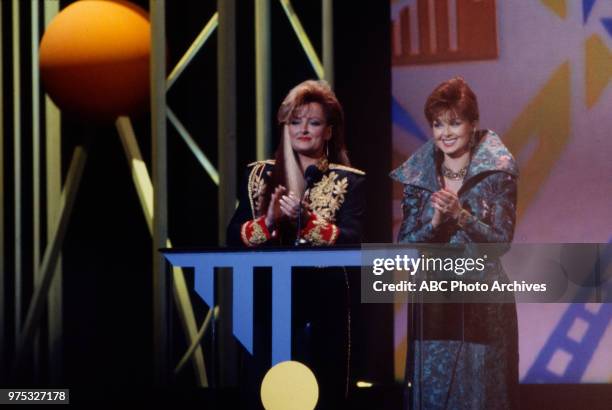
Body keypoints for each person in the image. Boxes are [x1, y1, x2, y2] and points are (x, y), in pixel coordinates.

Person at [227, 80, 365, 408]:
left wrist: (309, 222)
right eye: (295, 121)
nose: (303, 129)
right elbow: (233, 236)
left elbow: (354, 240)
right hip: (267, 300)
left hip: (323, 303)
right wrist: (270, 222)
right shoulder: (258, 175)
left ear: (329, 132)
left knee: (322, 391)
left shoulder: (349, 179)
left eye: (314, 123)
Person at [390, 77, 519, 409]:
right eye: (437, 124)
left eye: (455, 123)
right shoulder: (419, 175)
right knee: (434, 393)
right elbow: (405, 243)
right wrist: (435, 223)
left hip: (483, 299)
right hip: (434, 298)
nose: (445, 133)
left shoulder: (497, 171)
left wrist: (462, 216)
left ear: (473, 124)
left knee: (479, 392)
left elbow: (501, 242)